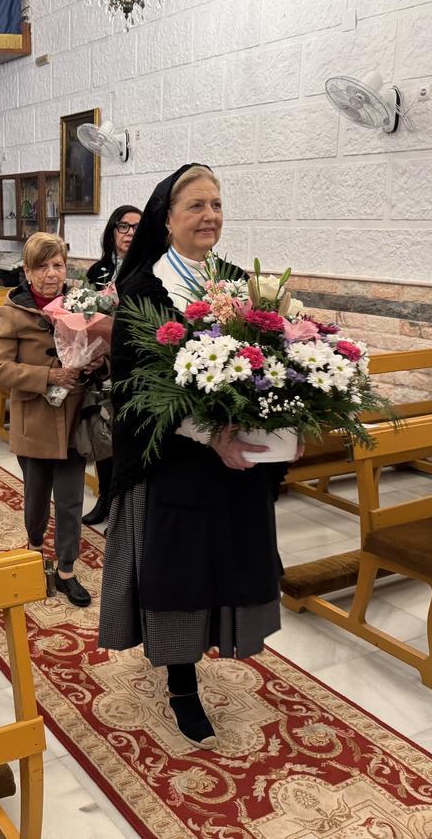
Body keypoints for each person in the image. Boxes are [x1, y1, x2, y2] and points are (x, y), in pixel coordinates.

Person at [98, 163, 298, 749]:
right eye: (196, 206)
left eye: (216, 205)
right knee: (180, 575)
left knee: (227, 563)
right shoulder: (144, 288)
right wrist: (211, 436)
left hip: (234, 468)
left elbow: (272, 363)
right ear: (166, 218)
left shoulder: (236, 283)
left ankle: (221, 641)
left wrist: (289, 418)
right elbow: (135, 388)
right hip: (174, 463)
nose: (210, 216)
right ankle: (182, 683)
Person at [0, 232, 97, 608]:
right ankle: (35, 548)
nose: (52, 274)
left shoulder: (81, 305)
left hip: (73, 418)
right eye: (43, 266)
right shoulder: (13, 311)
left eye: (58, 265)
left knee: (70, 500)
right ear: (28, 271)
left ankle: (66, 569)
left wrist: (96, 363)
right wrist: (48, 375)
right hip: (34, 418)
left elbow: (98, 349)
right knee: (36, 496)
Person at [82, 204, 142, 527]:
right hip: (102, 364)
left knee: (127, 437)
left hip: (134, 365)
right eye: (123, 226)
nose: (130, 233)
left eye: (137, 227)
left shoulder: (148, 268)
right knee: (103, 435)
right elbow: (84, 314)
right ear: (112, 231)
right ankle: (104, 497)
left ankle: (124, 510)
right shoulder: (98, 271)